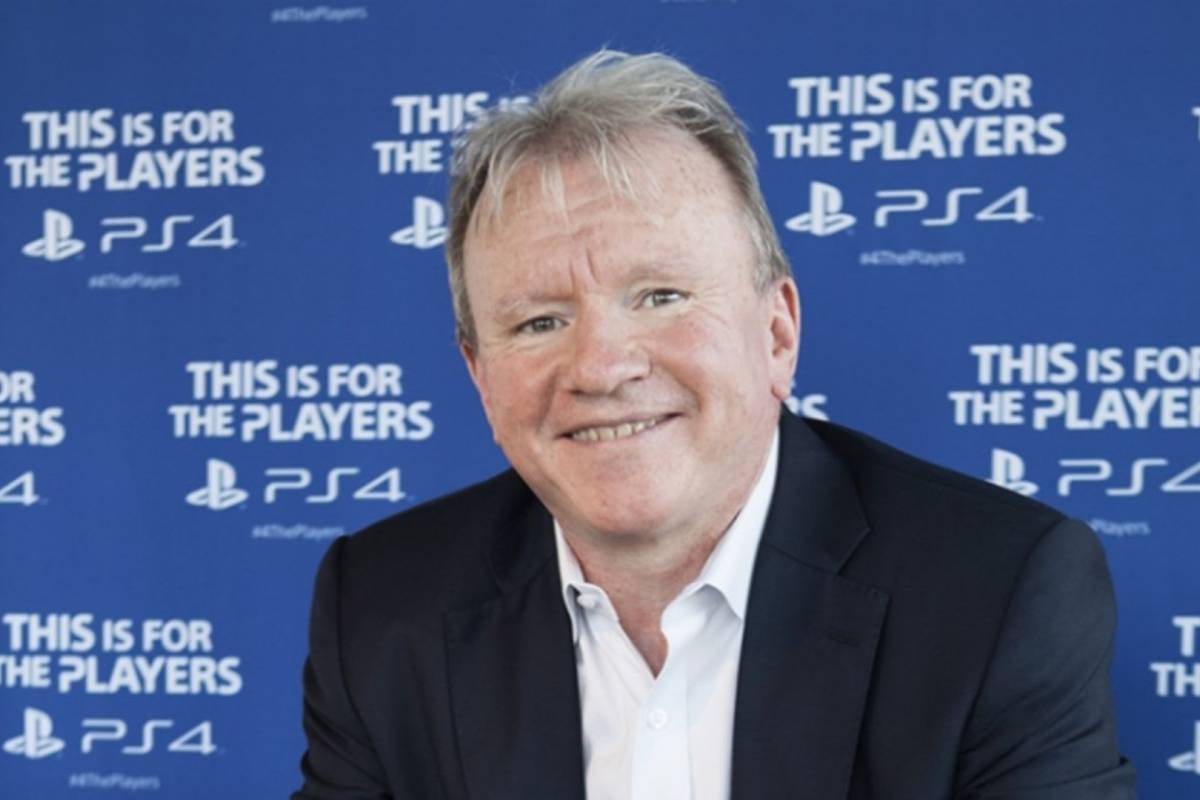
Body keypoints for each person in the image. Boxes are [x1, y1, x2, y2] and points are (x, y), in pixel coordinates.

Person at [294, 50, 1135, 799]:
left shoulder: (998, 594)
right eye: (539, 322)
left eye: (661, 296)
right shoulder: (378, 609)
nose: (600, 367)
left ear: (777, 334)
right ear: (480, 376)